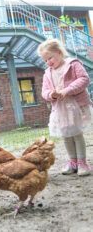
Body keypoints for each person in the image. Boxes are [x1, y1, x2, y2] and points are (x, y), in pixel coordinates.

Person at [37, 38, 92, 176]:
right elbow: (44, 92)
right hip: (60, 109)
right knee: (66, 135)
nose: (48, 62)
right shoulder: (47, 73)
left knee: (77, 134)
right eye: (45, 60)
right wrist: (52, 95)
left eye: (50, 58)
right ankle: (73, 161)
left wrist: (67, 90)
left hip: (75, 106)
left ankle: (82, 162)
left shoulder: (73, 64)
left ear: (59, 52)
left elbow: (84, 79)